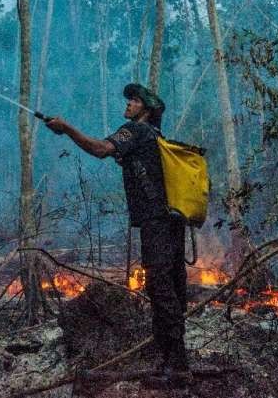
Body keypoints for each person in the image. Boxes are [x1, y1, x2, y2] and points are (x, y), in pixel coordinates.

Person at [45, 83, 191, 384]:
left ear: (146, 110)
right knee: (173, 288)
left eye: (134, 101)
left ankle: (176, 368)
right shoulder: (156, 136)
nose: (128, 104)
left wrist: (67, 128)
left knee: (161, 288)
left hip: (156, 222)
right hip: (172, 221)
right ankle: (171, 359)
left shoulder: (136, 131)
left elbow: (100, 149)